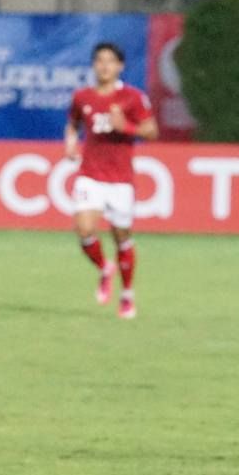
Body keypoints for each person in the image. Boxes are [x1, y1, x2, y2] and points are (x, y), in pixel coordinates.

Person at [64, 42, 158, 320]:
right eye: (100, 61)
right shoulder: (82, 97)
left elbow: (151, 132)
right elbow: (73, 123)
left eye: (110, 61)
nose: (104, 66)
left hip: (120, 180)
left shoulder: (132, 97)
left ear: (120, 66)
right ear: (94, 65)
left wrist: (125, 127)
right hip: (90, 174)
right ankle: (105, 268)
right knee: (83, 230)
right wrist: (70, 143)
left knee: (122, 239)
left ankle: (127, 294)